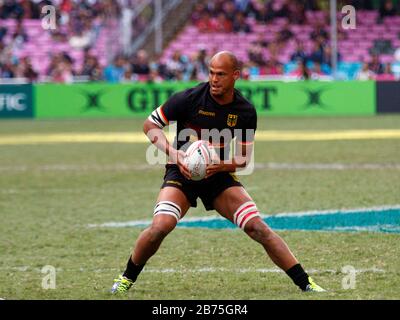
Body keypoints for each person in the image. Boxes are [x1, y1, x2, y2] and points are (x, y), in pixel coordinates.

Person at [110, 51, 326, 294]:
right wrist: (174, 153)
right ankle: (126, 279)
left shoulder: (244, 111)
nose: (214, 79)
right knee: (160, 226)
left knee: (258, 227)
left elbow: (243, 159)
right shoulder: (188, 99)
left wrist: (219, 165)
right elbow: (150, 125)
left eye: (220, 74)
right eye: (211, 72)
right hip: (182, 172)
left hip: (218, 174)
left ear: (236, 76)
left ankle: (305, 283)